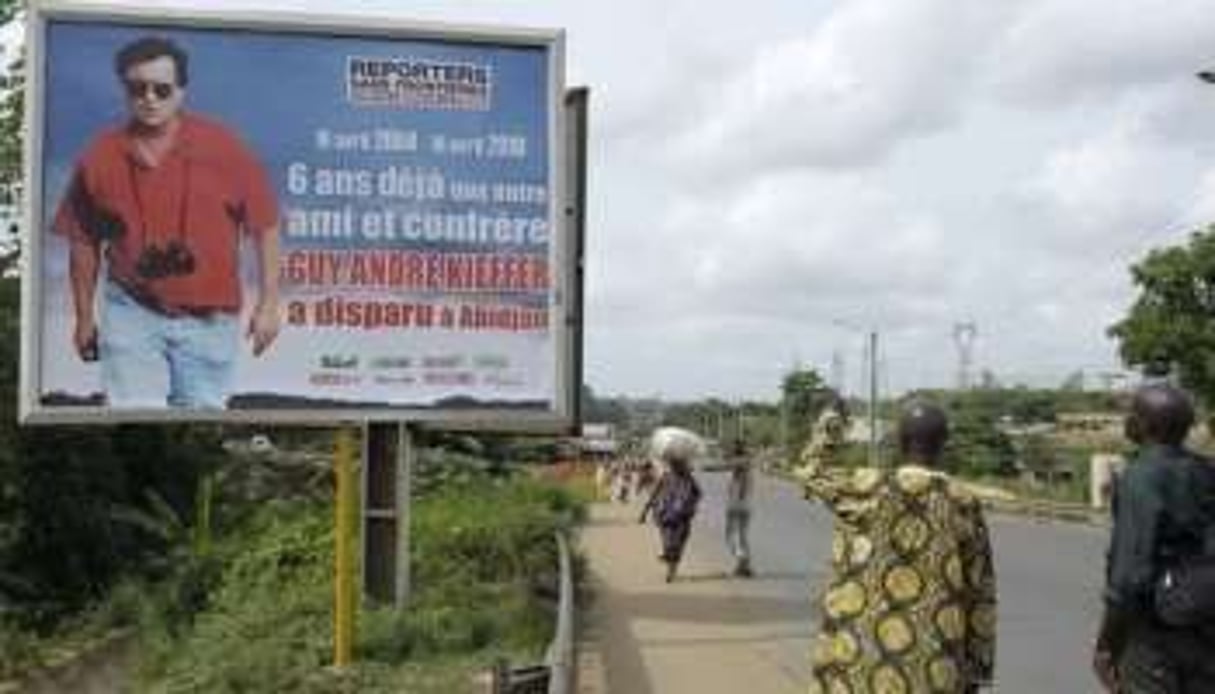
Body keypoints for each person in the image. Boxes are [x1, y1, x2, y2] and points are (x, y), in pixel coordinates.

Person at [53, 35, 281, 408]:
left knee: (202, 428)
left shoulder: (224, 146)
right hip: (132, 308)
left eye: (162, 89)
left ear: (181, 91)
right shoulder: (100, 155)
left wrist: (269, 305)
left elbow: (266, 226)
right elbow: (83, 242)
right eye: (137, 88)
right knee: (133, 421)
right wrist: (83, 319)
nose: (149, 98)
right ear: (124, 90)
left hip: (211, 318)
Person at [795, 401, 996, 694]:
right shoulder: (963, 502)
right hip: (935, 666)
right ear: (943, 445)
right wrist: (977, 674)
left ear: (900, 441)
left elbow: (809, 473)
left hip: (861, 661)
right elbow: (980, 595)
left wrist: (830, 422)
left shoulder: (866, 487)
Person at [1092, 384, 1215, 693]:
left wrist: (1107, 643)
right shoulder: (1205, 471)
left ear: (1146, 424)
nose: (1127, 420)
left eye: (1132, 413)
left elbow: (1129, 578)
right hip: (1204, 628)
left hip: (1154, 634)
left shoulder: (1140, 477)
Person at [640, 428, 704, 583]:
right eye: (674, 463)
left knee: (678, 544)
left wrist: (690, 505)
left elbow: (698, 494)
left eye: (678, 463)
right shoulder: (666, 477)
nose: (676, 465)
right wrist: (645, 511)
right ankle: (670, 566)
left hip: (682, 517)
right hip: (666, 516)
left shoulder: (688, 479)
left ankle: (672, 570)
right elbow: (655, 493)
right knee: (669, 542)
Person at [724, 440, 754, 577]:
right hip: (747, 506)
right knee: (743, 536)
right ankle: (743, 567)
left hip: (734, 506)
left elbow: (726, 464)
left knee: (730, 536)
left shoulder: (736, 466)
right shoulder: (748, 467)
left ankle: (740, 557)